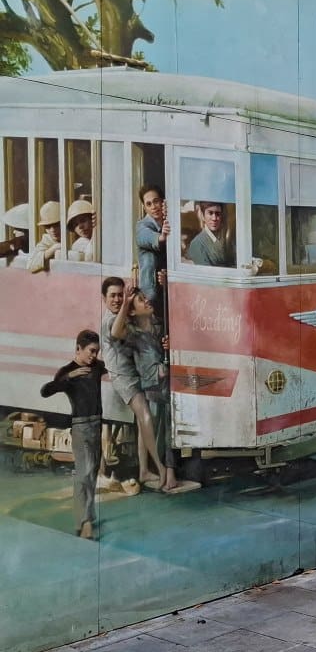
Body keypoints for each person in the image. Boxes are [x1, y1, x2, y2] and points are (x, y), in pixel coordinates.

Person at [100, 276, 169, 487]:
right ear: (104, 298)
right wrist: (127, 305)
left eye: (120, 295)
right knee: (145, 415)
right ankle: (159, 466)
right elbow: (116, 331)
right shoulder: (111, 320)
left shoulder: (129, 319)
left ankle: (144, 470)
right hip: (124, 377)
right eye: (112, 296)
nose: (117, 299)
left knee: (142, 422)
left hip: (134, 372)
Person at [40, 330, 108, 539]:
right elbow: (45, 391)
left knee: (92, 472)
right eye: (91, 351)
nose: (94, 356)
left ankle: (87, 516)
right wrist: (70, 377)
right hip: (80, 426)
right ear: (78, 348)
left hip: (97, 425)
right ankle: (84, 521)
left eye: (97, 351)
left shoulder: (97, 367)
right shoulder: (67, 371)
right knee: (83, 473)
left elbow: (114, 367)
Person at [127, 289, 179, 492]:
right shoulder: (133, 334)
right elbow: (115, 332)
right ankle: (162, 470)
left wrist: (170, 344)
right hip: (152, 386)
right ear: (133, 311)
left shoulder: (160, 325)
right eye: (141, 300)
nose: (147, 301)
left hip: (166, 382)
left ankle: (169, 471)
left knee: (168, 427)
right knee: (157, 429)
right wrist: (126, 304)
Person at [135, 185, 169, 311]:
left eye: (156, 201)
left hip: (168, 287)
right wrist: (162, 237)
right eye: (149, 204)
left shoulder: (169, 221)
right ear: (144, 208)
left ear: (163, 202)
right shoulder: (142, 225)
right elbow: (146, 237)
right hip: (150, 294)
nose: (154, 207)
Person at [187, 201, 234, 267]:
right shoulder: (197, 244)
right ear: (203, 216)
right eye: (210, 213)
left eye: (218, 214)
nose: (214, 218)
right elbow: (206, 271)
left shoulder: (223, 240)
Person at [28, 201, 62, 273]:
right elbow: (30, 266)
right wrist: (53, 249)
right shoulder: (46, 241)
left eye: (56, 225)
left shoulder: (73, 237)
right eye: (48, 226)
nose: (52, 230)